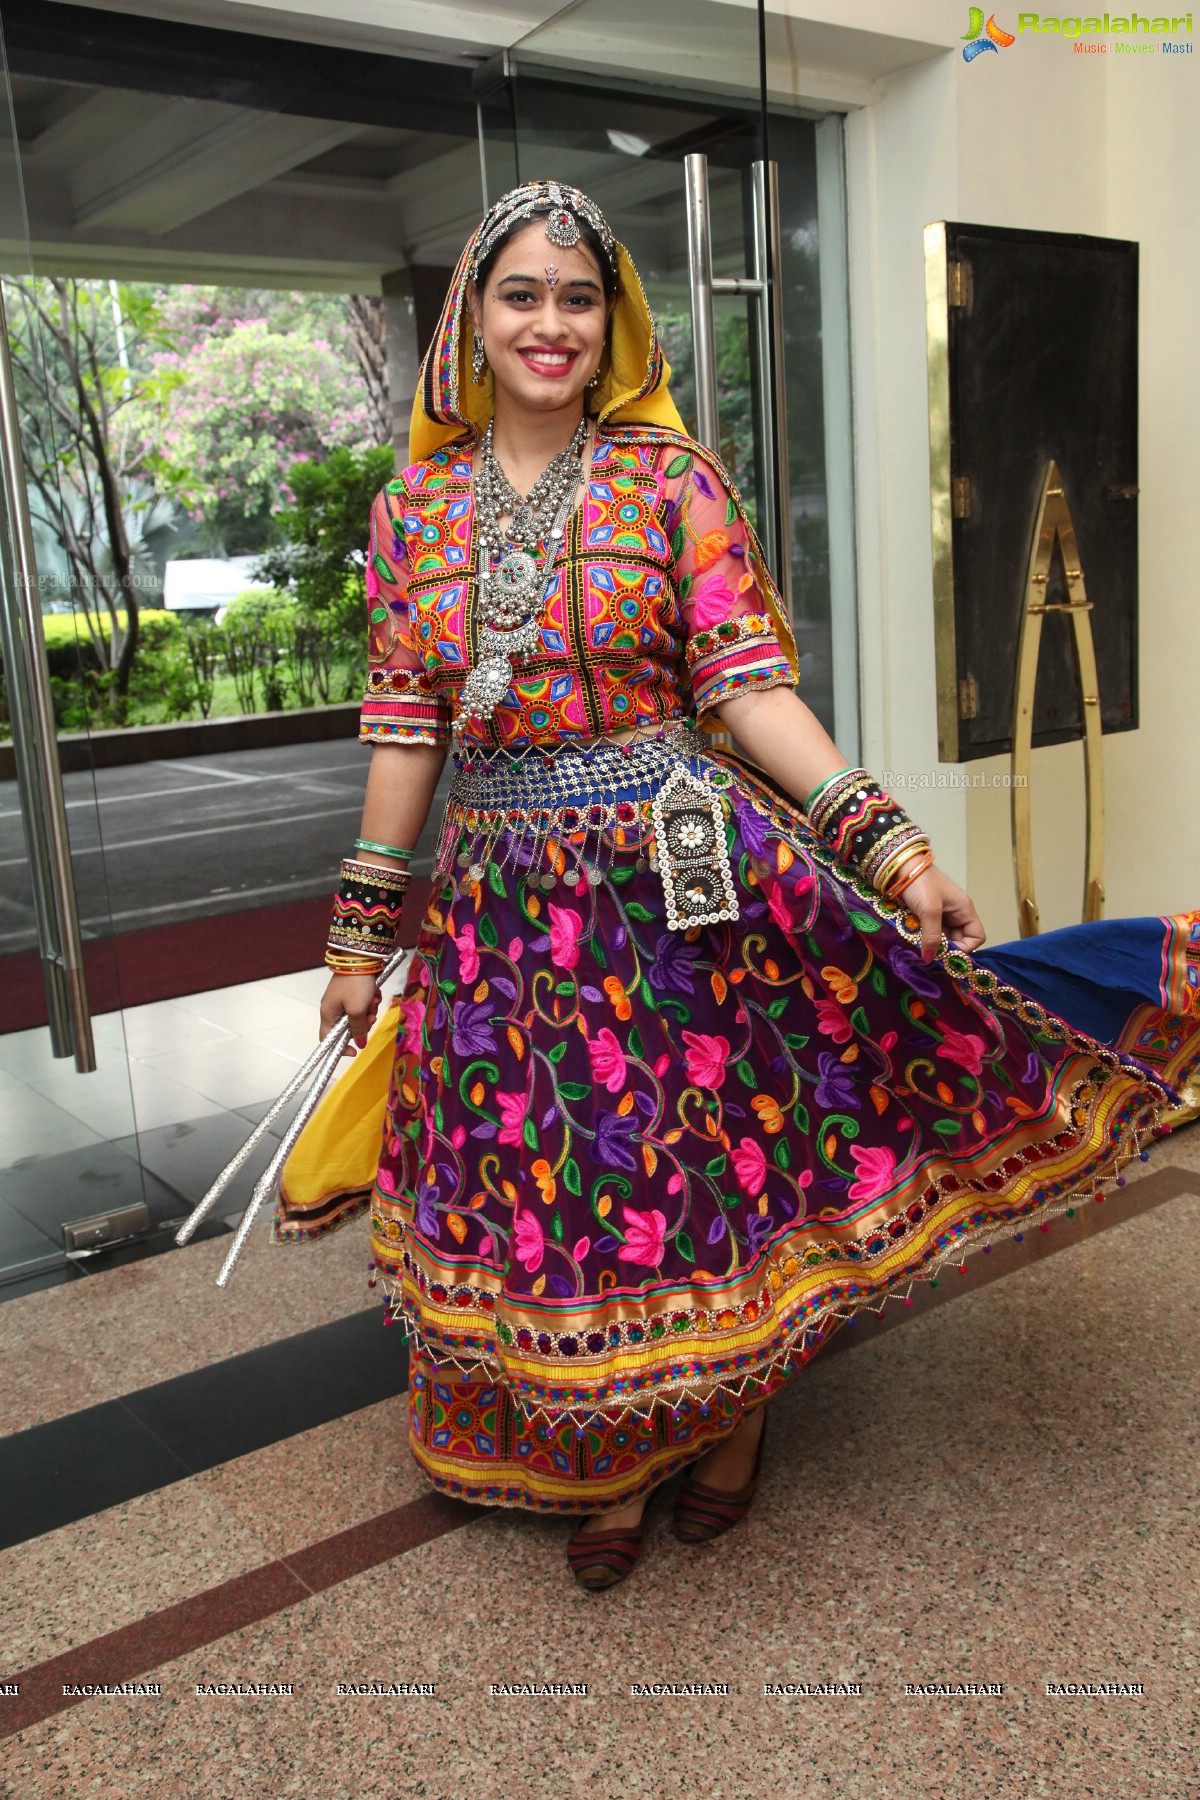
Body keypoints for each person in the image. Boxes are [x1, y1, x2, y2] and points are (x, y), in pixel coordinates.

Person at [274, 181, 1199, 1592]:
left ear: (612, 323)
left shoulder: (672, 482)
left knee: (687, 1163)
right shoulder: (414, 510)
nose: (551, 324)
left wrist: (893, 850)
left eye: (578, 299)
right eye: (522, 294)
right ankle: (612, 1449)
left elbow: (752, 690)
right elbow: (409, 734)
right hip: (501, 912)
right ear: (472, 318)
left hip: (672, 884)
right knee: (559, 1180)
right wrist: (359, 933)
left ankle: (724, 1418)